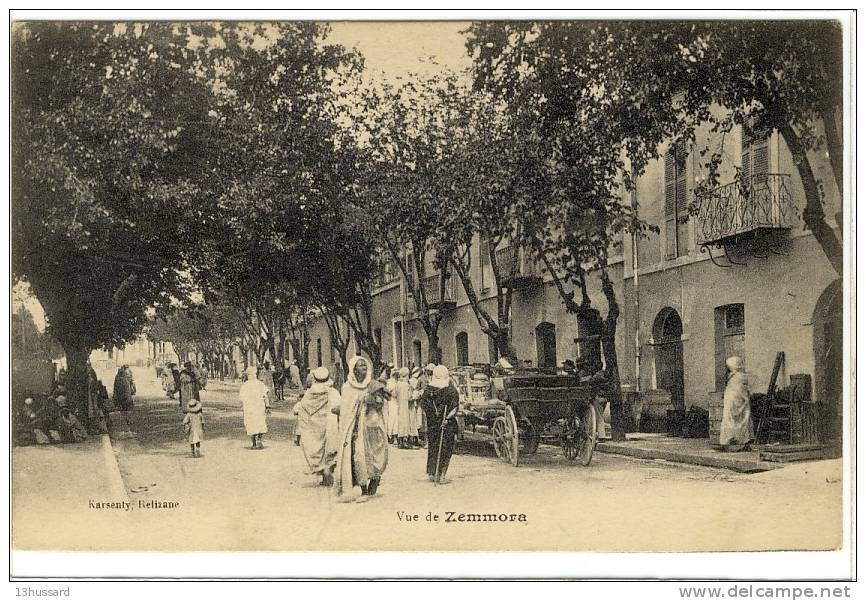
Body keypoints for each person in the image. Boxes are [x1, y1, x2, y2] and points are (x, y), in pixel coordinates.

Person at [333, 356, 389, 502]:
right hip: (355, 429)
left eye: (365, 365)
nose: (363, 368)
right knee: (358, 457)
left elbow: (380, 403)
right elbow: (346, 408)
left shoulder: (373, 385)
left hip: (371, 427)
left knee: (374, 456)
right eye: (360, 365)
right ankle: (363, 489)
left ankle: (375, 480)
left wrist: (372, 401)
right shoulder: (347, 387)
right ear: (354, 369)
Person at [297, 366, 341, 486]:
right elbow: (339, 408)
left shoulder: (309, 394)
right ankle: (328, 469)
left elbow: (302, 408)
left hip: (314, 428)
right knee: (329, 447)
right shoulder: (333, 393)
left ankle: (322, 471)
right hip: (329, 426)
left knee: (316, 447)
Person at [421, 365, 460, 484]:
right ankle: (442, 475)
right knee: (446, 448)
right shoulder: (450, 390)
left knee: (434, 447)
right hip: (447, 424)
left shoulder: (428, 390)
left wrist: (433, 417)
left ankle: (433, 474)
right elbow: (454, 408)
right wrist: (447, 419)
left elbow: (424, 407)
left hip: (432, 424)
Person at [719, 356, 754, 451]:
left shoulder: (739, 377)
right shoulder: (735, 376)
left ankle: (736, 442)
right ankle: (733, 442)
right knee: (736, 422)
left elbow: (740, 391)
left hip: (738, 402)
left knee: (737, 422)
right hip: (734, 402)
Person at [240, 365, 271, 449]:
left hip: (249, 408)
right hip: (259, 407)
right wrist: (267, 406)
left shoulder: (245, 385)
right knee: (260, 422)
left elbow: (242, 399)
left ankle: (254, 443)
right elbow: (265, 396)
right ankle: (259, 440)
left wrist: (243, 407)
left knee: (251, 424)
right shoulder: (260, 384)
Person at [395, 367, 414, 449]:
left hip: (399, 405)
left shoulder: (397, 384)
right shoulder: (407, 385)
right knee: (406, 422)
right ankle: (405, 441)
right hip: (406, 406)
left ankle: (400, 441)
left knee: (400, 422)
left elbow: (394, 394)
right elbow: (410, 397)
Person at [386, 366, 399, 444]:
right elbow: (388, 391)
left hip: (396, 401)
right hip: (391, 401)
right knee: (392, 418)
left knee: (396, 419)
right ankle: (390, 435)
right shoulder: (390, 382)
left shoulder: (397, 381)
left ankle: (395, 435)